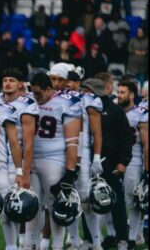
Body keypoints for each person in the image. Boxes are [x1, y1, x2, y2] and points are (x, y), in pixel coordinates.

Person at [24, 72, 82, 250]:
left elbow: (73, 142)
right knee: (31, 205)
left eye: (39, 93)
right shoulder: (29, 100)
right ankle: (29, 245)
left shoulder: (66, 102)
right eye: (33, 93)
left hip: (54, 160)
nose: (36, 97)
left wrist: (71, 170)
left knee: (56, 206)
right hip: (32, 159)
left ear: (49, 89)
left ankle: (56, 246)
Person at [81, 78, 133, 250]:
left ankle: (122, 238)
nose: (84, 93)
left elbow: (127, 138)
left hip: (110, 162)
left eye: (87, 90)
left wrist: (123, 162)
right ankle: (89, 239)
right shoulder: (81, 108)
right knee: (87, 199)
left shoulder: (115, 110)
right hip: (87, 160)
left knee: (115, 201)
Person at [0, 68, 38, 247]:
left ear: (20, 84)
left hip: (16, 159)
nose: (7, 83)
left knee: (15, 206)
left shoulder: (27, 104)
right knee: (1, 208)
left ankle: (24, 243)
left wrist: (25, 170)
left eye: (11, 80)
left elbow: (28, 142)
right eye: (5, 80)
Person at [64, 65, 104, 250]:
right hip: (60, 152)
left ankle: (96, 243)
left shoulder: (89, 100)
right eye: (64, 82)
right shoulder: (57, 100)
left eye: (70, 82)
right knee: (67, 198)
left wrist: (96, 157)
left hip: (83, 151)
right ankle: (74, 241)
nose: (67, 85)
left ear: (78, 83)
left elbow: (97, 132)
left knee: (87, 200)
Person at [117, 82, 148, 250]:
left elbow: (146, 144)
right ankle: (115, 235)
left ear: (131, 95)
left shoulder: (141, 114)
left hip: (134, 161)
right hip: (115, 160)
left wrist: (147, 169)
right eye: (118, 92)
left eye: (122, 92)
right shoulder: (115, 111)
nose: (119, 95)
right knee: (112, 199)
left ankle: (132, 238)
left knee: (134, 201)